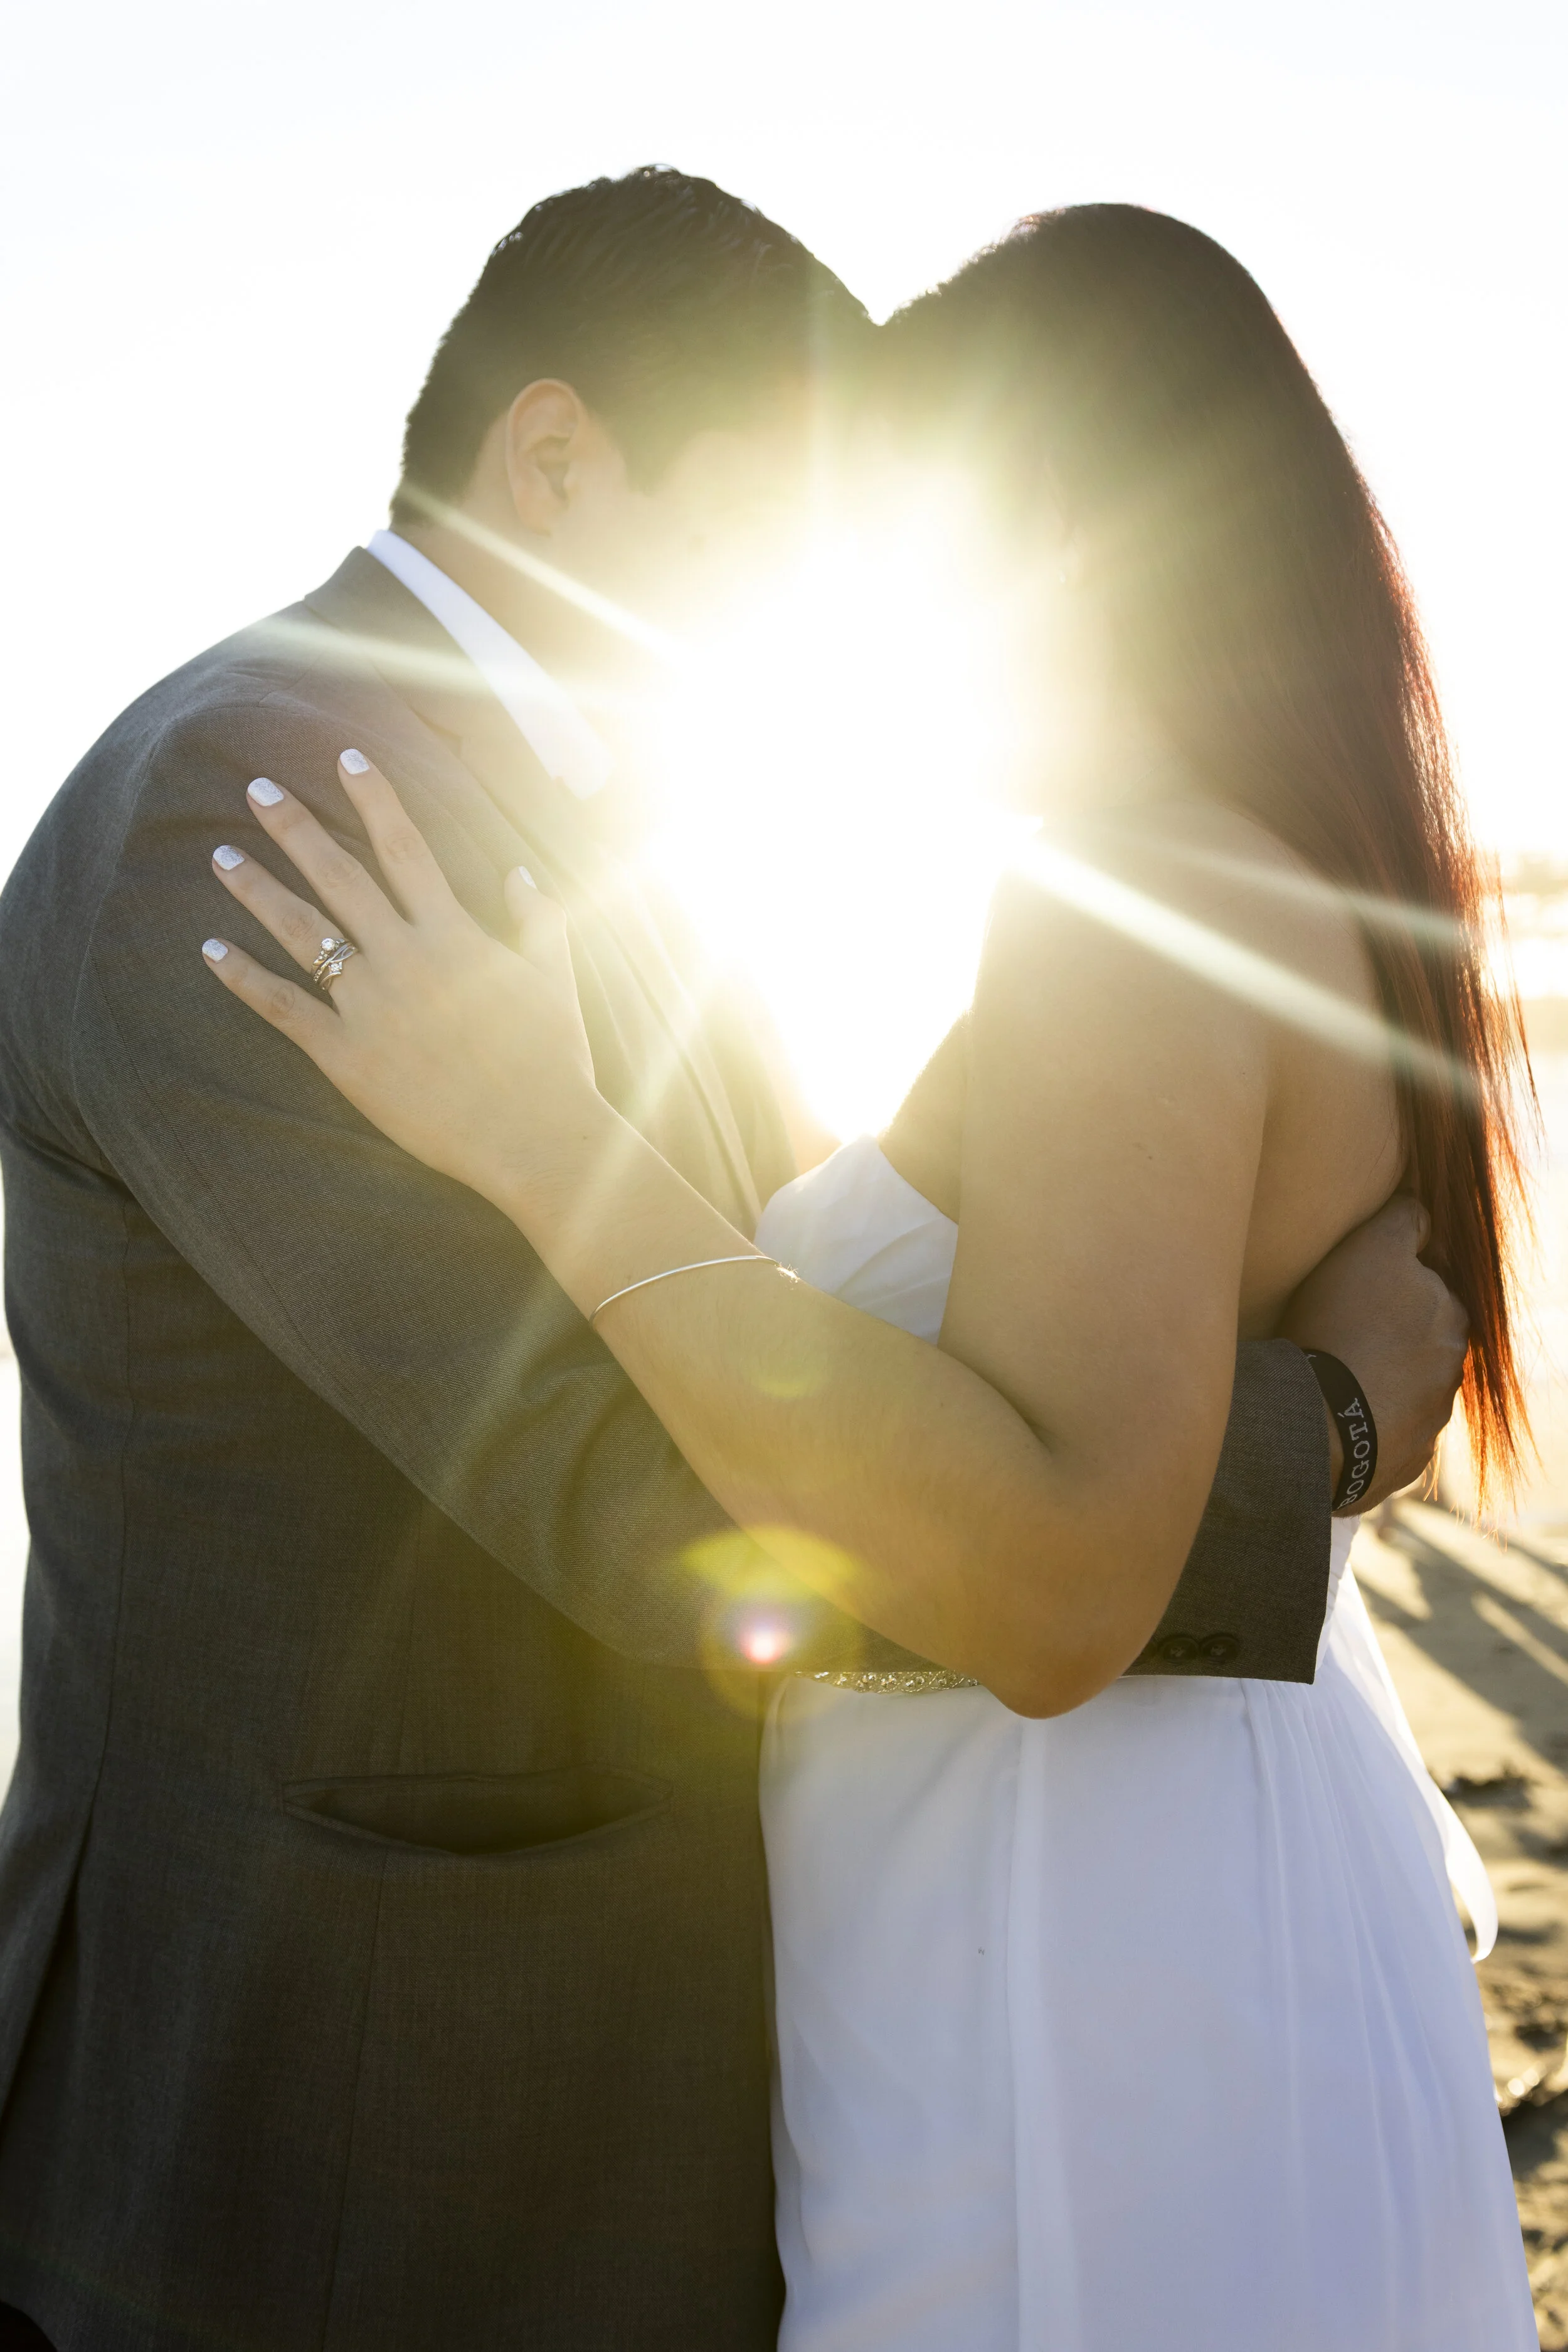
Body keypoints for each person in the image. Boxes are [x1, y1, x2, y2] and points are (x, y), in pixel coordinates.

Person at [0, 174, 1463, 2351]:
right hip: (347, 2141)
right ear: (559, 456)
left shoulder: (629, 844)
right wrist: (1297, 1439)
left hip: (633, 2099)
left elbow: (802, 1295)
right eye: (770, 530)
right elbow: (634, 1499)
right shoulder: (270, 791)